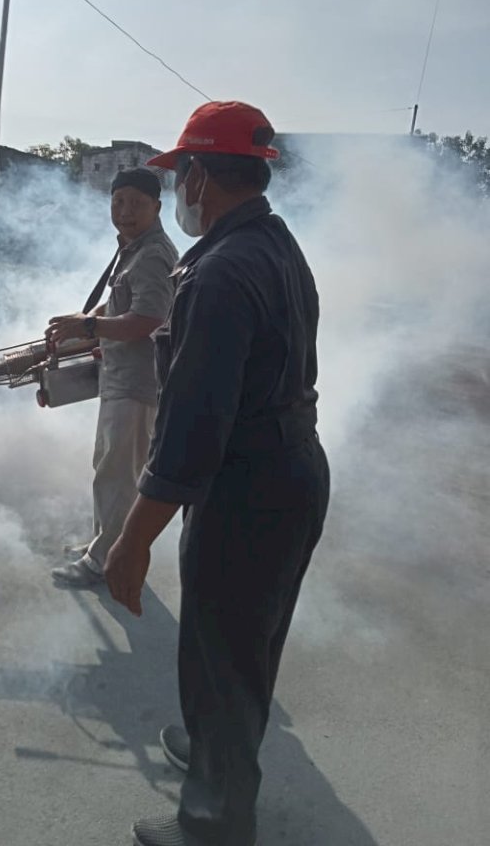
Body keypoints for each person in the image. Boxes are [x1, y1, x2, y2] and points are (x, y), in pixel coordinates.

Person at [104, 101, 330, 846]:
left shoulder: (221, 273)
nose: (178, 194)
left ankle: (213, 820)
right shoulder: (273, 242)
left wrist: (132, 540)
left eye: (178, 180)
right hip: (290, 468)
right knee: (244, 642)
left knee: (220, 652)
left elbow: (190, 434)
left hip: (250, 486)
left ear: (198, 176)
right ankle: (212, 751)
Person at [46, 166, 178, 588]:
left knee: (120, 473)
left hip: (138, 386)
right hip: (120, 377)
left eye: (137, 204)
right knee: (108, 466)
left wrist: (88, 328)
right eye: (118, 201)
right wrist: (86, 321)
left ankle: (103, 562)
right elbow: (120, 304)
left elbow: (148, 319)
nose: (125, 211)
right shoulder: (133, 248)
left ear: (157, 207)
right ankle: (103, 543)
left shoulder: (154, 254)